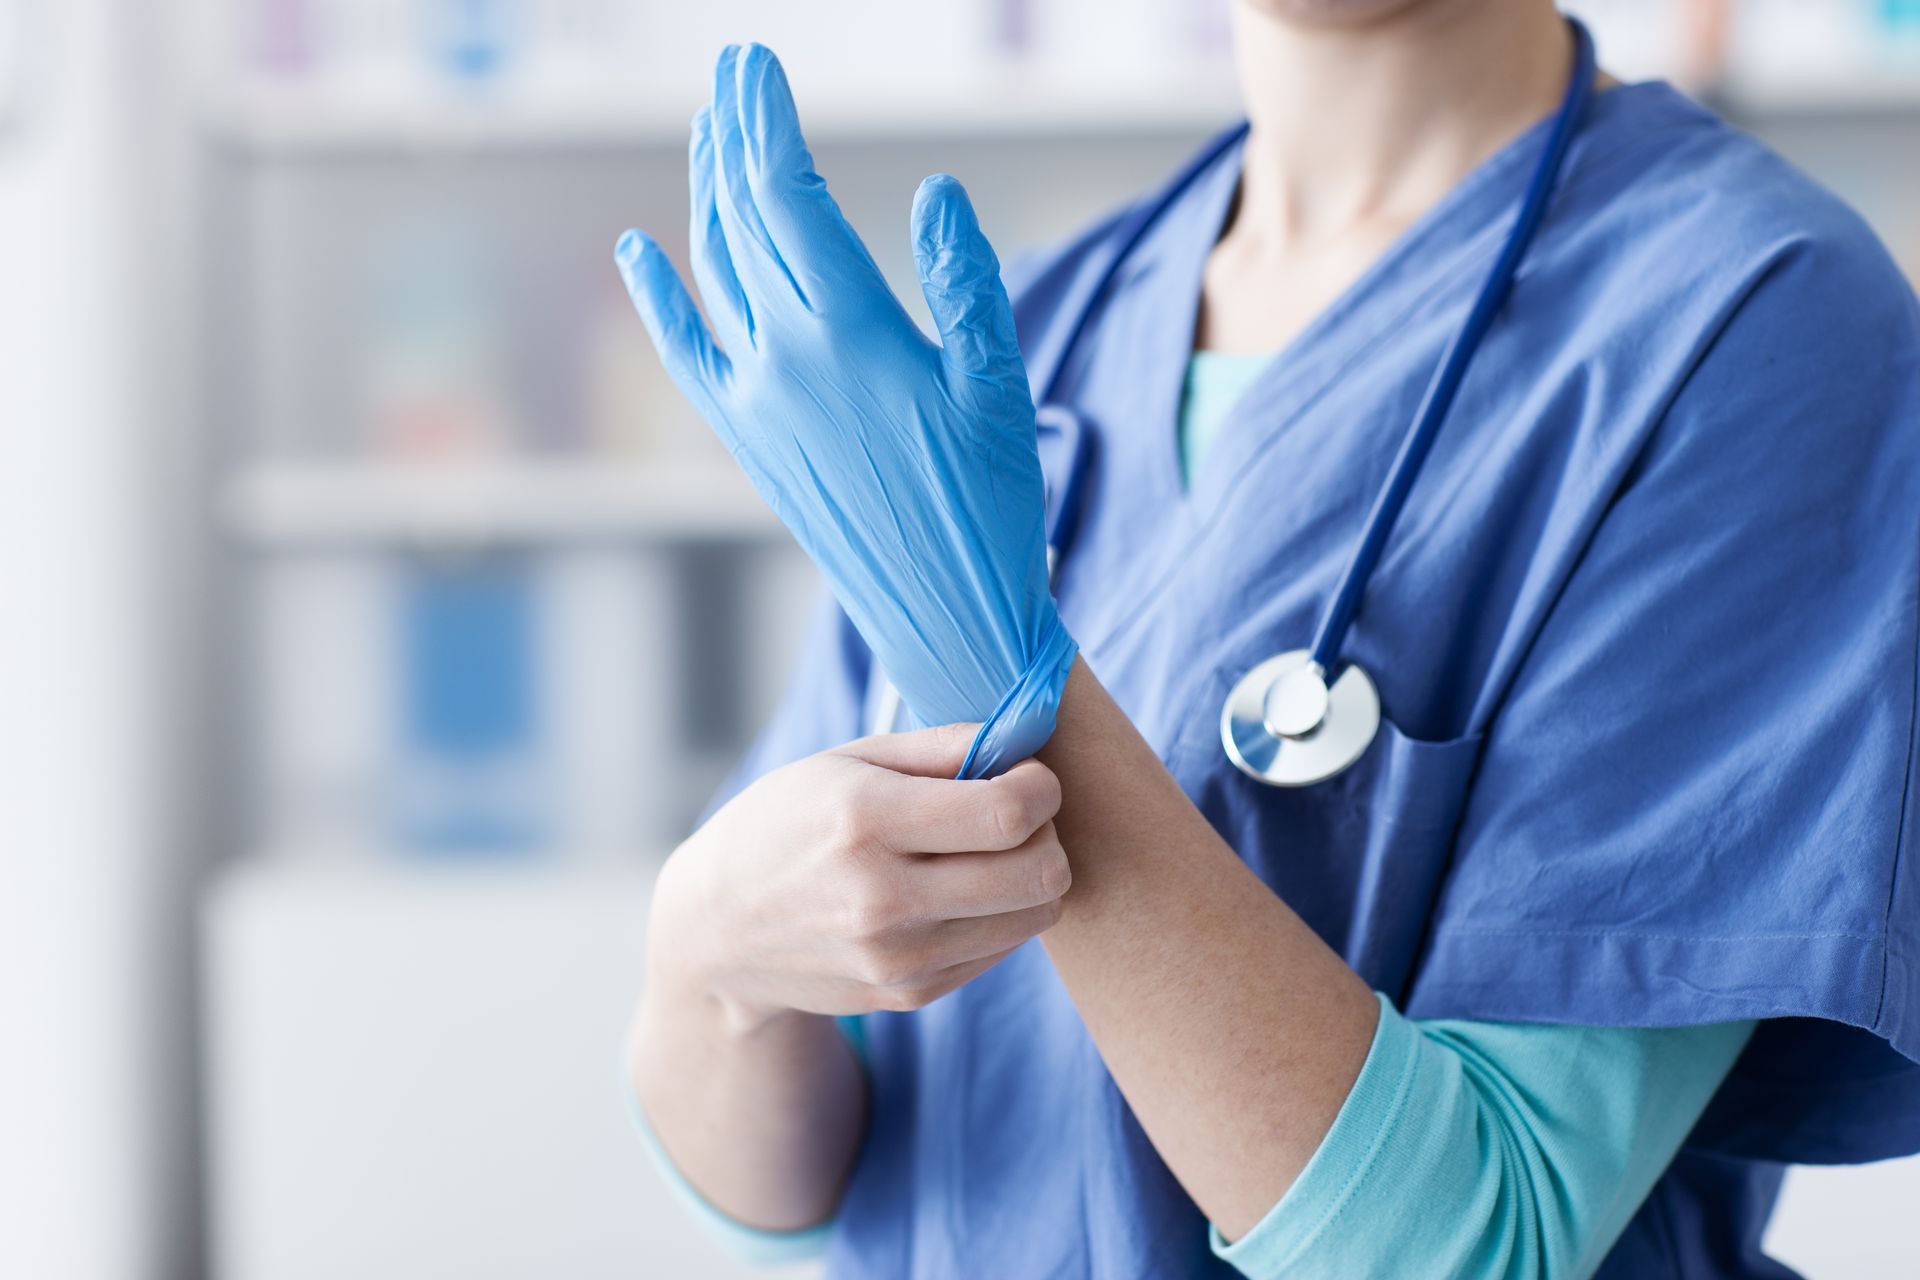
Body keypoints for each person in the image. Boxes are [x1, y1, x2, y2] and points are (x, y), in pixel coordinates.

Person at [613, 1, 1920, 1276]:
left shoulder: (1752, 319)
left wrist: (1012, 683)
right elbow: (797, 1201)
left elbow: (1483, 1244)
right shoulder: (1040, 328)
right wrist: (705, 956)